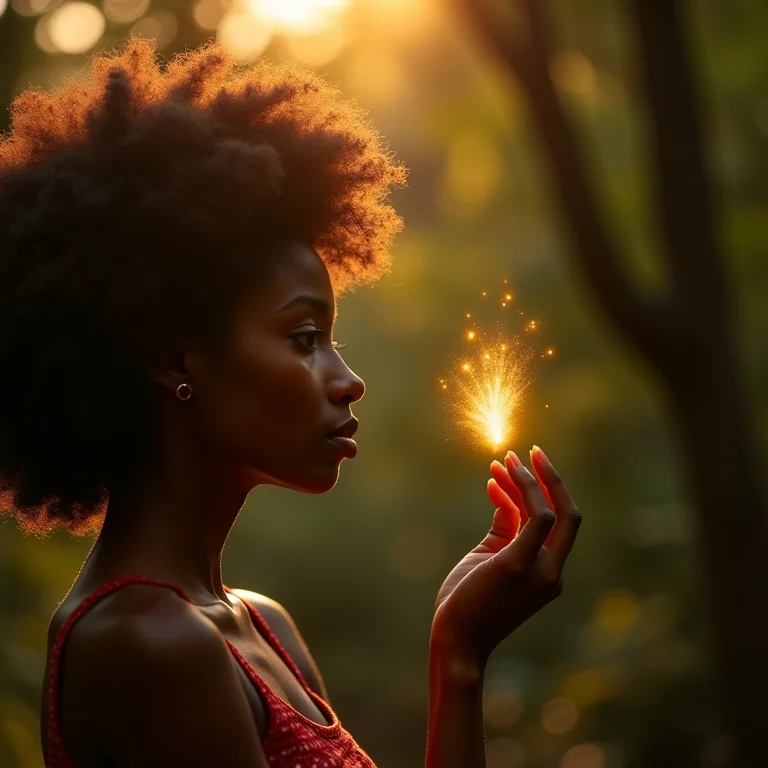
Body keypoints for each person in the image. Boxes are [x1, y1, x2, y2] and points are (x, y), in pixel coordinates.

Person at [0, 37, 582, 768]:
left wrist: (456, 652)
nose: (348, 379)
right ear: (176, 358)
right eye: (306, 338)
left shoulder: (258, 625)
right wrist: (461, 655)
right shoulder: (149, 645)